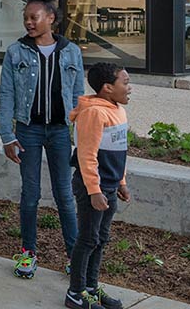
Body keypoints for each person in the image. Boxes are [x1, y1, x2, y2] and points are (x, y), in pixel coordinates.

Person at [0, 0, 83, 279]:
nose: (29, 23)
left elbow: (78, 98)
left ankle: (75, 257)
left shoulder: (71, 52)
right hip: (28, 132)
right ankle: (28, 252)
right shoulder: (16, 52)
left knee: (65, 195)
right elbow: (6, 95)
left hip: (60, 132)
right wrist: (7, 135)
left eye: (34, 17)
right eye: (26, 18)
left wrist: (80, 135)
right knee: (30, 194)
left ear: (51, 18)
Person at [66, 63, 133, 309]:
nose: (130, 88)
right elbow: (87, 155)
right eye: (125, 83)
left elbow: (118, 151)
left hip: (109, 186)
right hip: (91, 188)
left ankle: (91, 288)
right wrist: (93, 191)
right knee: (88, 239)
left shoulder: (117, 110)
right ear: (107, 88)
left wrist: (121, 182)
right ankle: (75, 292)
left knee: (101, 238)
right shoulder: (94, 113)